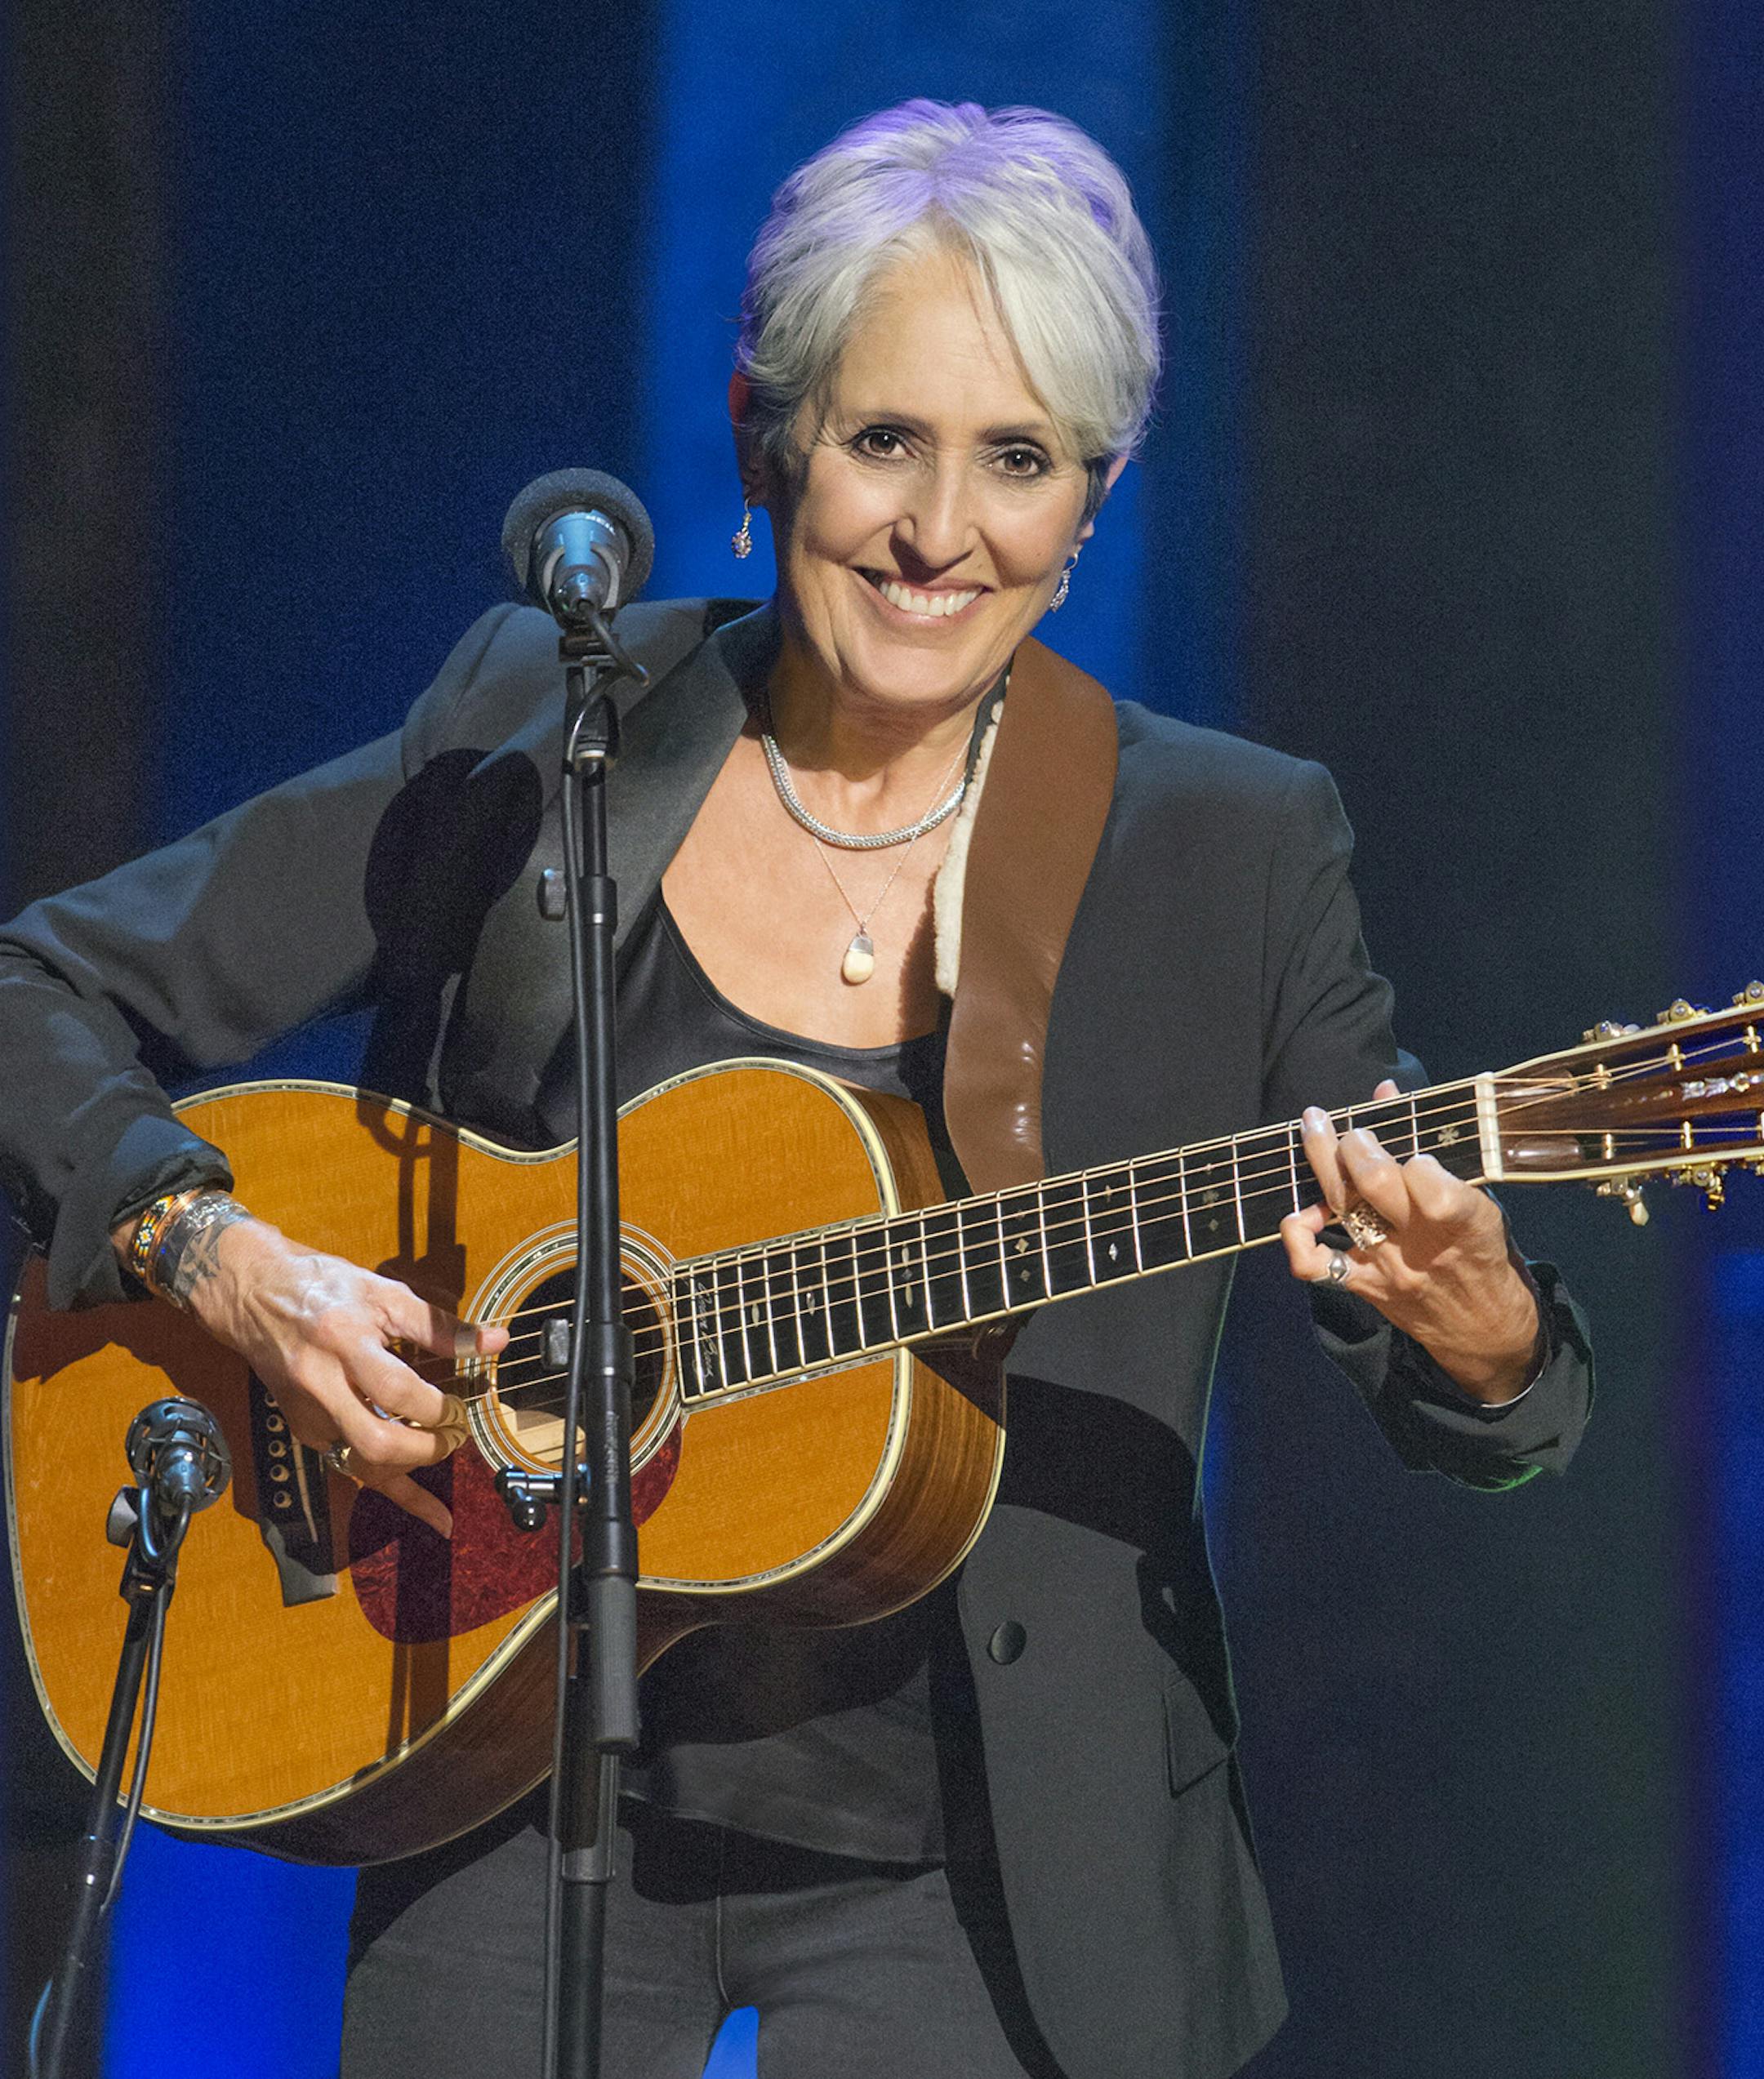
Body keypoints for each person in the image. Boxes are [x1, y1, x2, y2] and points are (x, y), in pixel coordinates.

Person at [0, 100, 1590, 2079]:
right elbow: (35, 988)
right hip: (503, 1760)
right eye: (884, 440)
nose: (943, 531)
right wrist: (216, 1251)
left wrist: (1489, 1335)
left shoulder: (1227, 847)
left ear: (1093, 501)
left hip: (985, 1862)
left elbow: (1483, 1406)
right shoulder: (537, 727)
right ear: (770, 440)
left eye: (1020, 458)